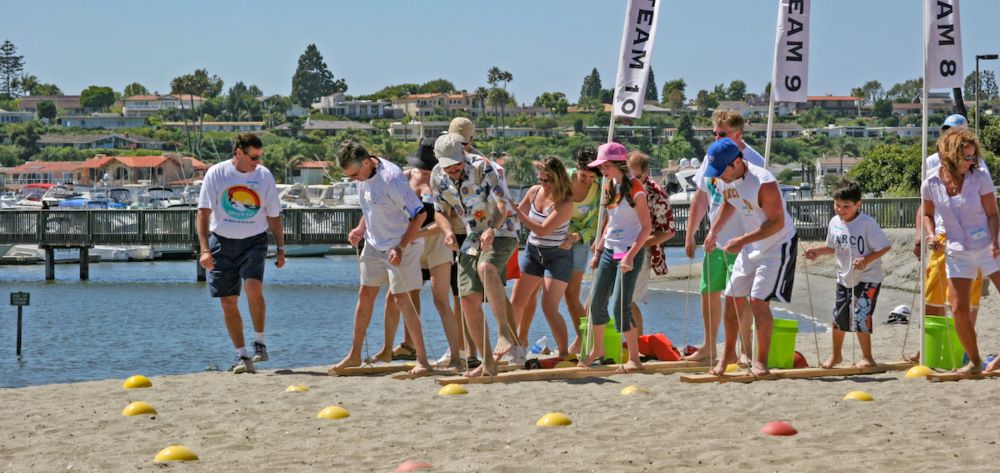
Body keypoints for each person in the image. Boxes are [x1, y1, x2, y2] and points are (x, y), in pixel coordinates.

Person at [329, 141, 432, 375]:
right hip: (375, 243)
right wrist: (359, 229)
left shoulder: (392, 179)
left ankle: (423, 361)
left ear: (366, 162)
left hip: (402, 243)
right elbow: (370, 208)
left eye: (355, 174)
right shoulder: (363, 176)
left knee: (401, 299)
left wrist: (401, 247)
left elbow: (420, 214)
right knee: (365, 294)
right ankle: (355, 354)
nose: (354, 179)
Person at [702, 138, 797, 377]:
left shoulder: (764, 182)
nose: (720, 176)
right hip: (751, 245)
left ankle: (760, 362)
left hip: (778, 244)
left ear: (736, 162)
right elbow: (729, 201)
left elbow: (777, 223)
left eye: (722, 170)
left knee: (757, 302)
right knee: (732, 298)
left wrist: (741, 240)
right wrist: (714, 231)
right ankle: (727, 357)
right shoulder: (725, 179)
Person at [431, 133, 521, 377]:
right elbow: (439, 210)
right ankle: (487, 362)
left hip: (502, 229)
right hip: (472, 235)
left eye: (458, 165)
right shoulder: (437, 176)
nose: (455, 170)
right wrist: (448, 231)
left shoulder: (483, 167)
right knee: (467, 298)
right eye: (449, 167)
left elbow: (502, 205)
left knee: (486, 268)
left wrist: (492, 229)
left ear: (463, 155)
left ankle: (505, 334)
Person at [371, 137, 464, 369]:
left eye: (427, 168)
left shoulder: (442, 183)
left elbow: (447, 220)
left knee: (440, 299)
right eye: (419, 167)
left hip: (435, 240)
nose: (422, 172)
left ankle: (456, 354)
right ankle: (393, 348)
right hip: (408, 243)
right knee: (397, 296)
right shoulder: (402, 178)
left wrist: (418, 235)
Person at [197, 133, 285, 374]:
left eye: (260, 157)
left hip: (254, 241)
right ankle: (241, 356)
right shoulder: (217, 173)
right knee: (228, 301)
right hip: (221, 243)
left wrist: (280, 248)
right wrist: (205, 250)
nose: (258, 162)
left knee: (253, 288)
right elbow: (203, 213)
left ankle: (260, 343)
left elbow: (274, 214)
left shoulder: (264, 175)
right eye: (254, 157)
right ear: (239, 152)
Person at [684, 110, 763, 363]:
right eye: (714, 133)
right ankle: (710, 347)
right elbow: (701, 195)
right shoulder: (712, 156)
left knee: (741, 296)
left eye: (722, 133)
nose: (716, 137)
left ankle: (745, 349)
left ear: (737, 134)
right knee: (708, 292)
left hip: (743, 239)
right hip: (715, 240)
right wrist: (690, 233)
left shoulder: (753, 160)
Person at [919, 129, 1000, 375]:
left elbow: (993, 214)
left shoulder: (981, 177)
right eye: (966, 157)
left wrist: (995, 241)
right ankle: (974, 362)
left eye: (973, 157)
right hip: (957, 249)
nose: (971, 162)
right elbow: (927, 214)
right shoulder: (931, 182)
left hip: (988, 246)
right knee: (958, 309)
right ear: (949, 156)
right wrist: (931, 235)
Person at [910, 114, 987, 362]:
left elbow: (988, 207)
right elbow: (926, 203)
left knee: (967, 299)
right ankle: (928, 348)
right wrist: (921, 235)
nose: (949, 134)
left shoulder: (977, 165)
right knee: (933, 292)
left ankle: (963, 350)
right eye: (946, 130)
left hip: (974, 240)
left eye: (954, 130)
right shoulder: (933, 161)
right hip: (943, 235)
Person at [579, 142, 651, 372]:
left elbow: (646, 227)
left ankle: (634, 358)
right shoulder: (609, 185)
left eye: (604, 166)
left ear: (616, 164)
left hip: (628, 250)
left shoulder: (635, 187)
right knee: (597, 301)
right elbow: (611, 222)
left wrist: (630, 256)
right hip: (610, 249)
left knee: (620, 305)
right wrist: (598, 250)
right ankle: (598, 349)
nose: (601, 171)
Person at [804, 178, 891, 369]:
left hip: (868, 277)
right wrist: (817, 251)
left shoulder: (867, 223)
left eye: (846, 206)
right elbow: (833, 247)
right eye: (837, 205)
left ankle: (867, 358)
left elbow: (885, 246)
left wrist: (866, 260)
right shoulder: (834, 222)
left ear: (858, 204)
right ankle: (836, 356)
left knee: (860, 315)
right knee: (838, 318)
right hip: (844, 277)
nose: (841, 210)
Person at [510, 157, 575, 356]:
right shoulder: (533, 191)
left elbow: (542, 230)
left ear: (559, 180)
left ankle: (564, 352)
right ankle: (515, 346)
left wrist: (519, 215)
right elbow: (515, 214)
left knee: (549, 307)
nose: (544, 185)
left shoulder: (565, 204)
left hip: (557, 257)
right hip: (533, 252)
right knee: (516, 302)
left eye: (548, 181)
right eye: (541, 180)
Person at [627, 151, 676, 335]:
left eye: (636, 176)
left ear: (645, 171)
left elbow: (668, 232)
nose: (632, 180)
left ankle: (638, 345)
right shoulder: (621, 187)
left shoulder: (657, 194)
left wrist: (638, 245)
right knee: (610, 298)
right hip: (617, 249)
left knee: (628, 300)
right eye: (628, 175)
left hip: (643, 252)